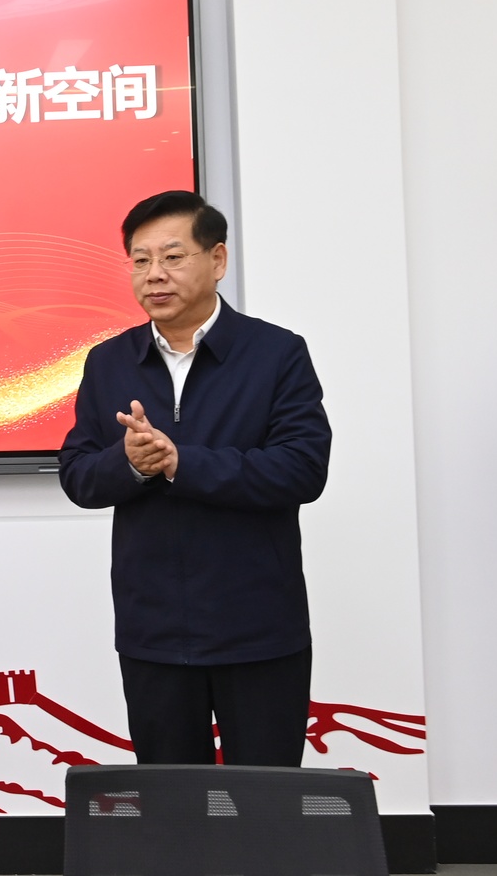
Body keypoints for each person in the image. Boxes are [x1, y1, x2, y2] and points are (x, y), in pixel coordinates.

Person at [59, 190, 331, 769]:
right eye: (140, 260)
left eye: (173, 257)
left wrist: (181, 462)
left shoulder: (276, 354)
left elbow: (302, 469)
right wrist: (131, 462)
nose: (154, 274)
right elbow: (78, 476)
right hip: (152, 627)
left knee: (264, 802)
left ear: (218, 259)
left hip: (258, 625)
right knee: (171, 805)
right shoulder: (108, 362)